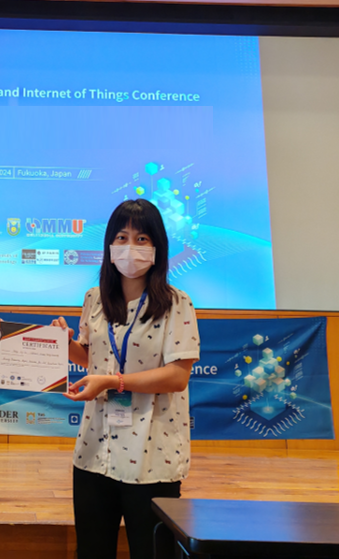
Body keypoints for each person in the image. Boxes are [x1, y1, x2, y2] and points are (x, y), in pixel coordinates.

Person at [53, 199, 200, 559]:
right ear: (109, 245)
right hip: (94, 450)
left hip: (151, 456)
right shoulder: (94, 299)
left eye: (141, 239)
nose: (130, 247)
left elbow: (177, 376)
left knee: (151, 552)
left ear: (157, 247)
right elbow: (91, 357)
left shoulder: (177, 303)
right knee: (92, 550)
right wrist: (64, 344)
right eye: (122, 237)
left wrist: (113, 383)